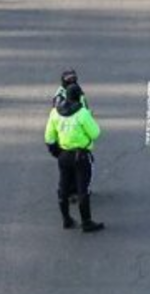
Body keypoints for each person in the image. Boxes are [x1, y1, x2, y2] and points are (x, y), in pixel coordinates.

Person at [45, 84, 105, 233]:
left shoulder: (55, 113)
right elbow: (95, 133)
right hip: (81, 156)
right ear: (79, 97)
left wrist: (57, 152)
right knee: (83, 189)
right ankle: (86, 222)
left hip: (64, 155)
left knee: (63, 188)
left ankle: (66, 219)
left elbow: (49, 137)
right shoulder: (82, 113)